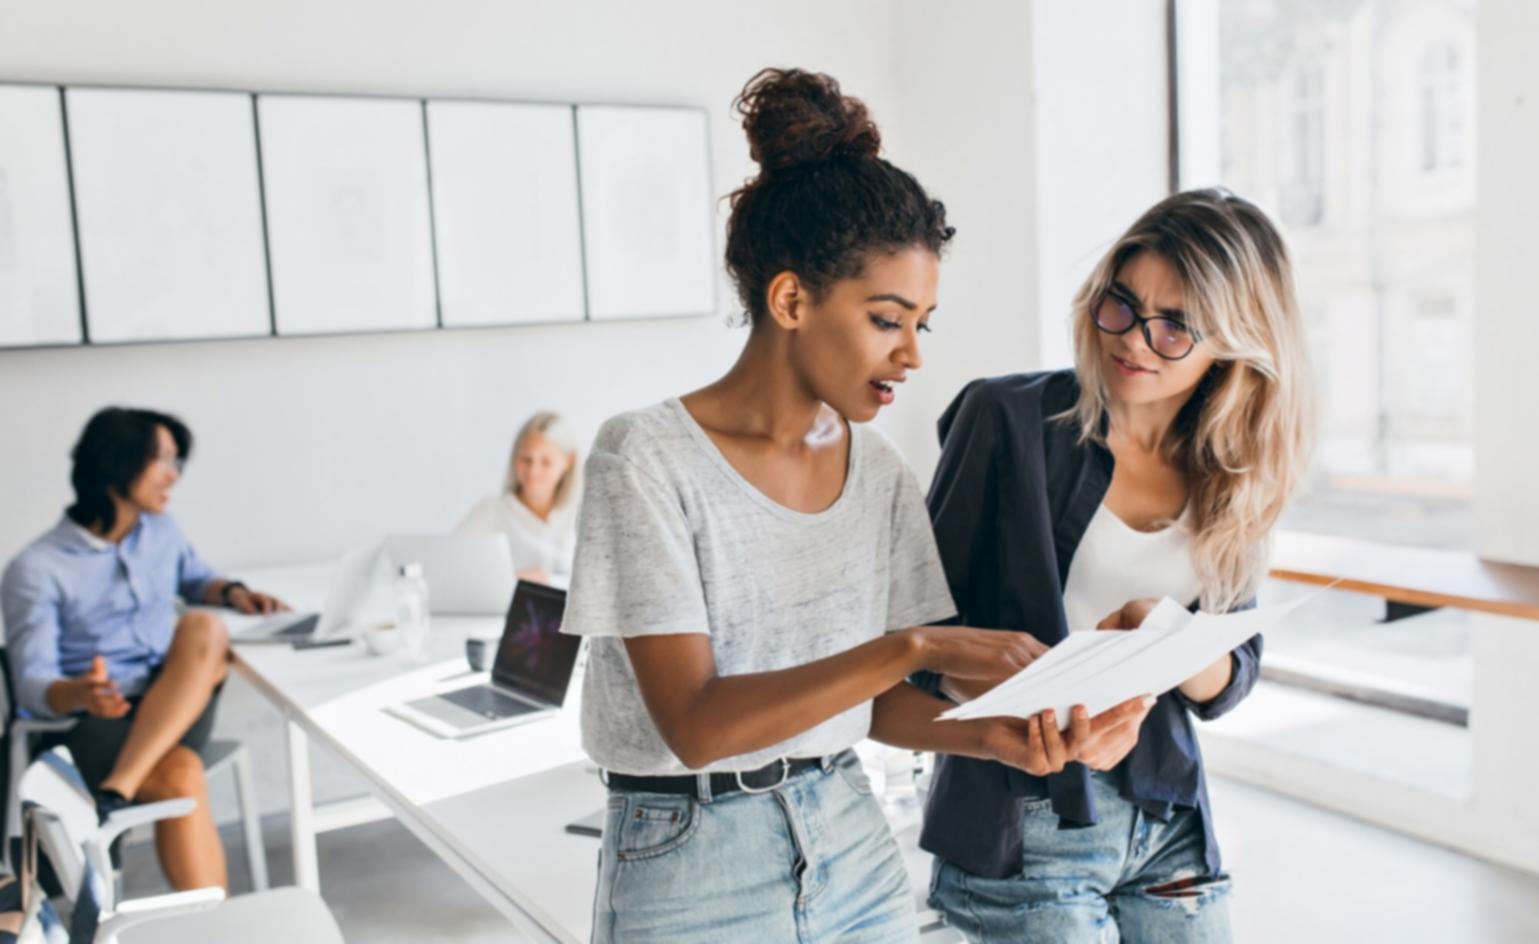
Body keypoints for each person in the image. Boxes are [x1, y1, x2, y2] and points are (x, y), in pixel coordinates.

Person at [559, 68, 1146, 944]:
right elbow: (696, 725)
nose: (910, 354)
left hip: (848, 835)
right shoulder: (644, 457)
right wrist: (912, 645)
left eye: (924, 324)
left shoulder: (876, 474)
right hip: (688, 859)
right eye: (886, 319)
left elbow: (865, 707)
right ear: (791, 298)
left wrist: (998, 738)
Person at [916, 189, 1313, 942]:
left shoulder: (1235, 470)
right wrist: (1044, 707)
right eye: (1121, 306)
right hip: (1025, 820)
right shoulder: (1007, 421)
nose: (1133, 340)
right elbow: (921, 645)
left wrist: (1165, 642)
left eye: (1174, 327)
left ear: (1233, 338)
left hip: (1168, 819)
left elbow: (1228, 684)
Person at [1, 407, 288, 891]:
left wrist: (233, 591)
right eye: (164, 461)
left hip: (172, 703)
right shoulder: (37, 568)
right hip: (95, 723)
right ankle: (219, 927)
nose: (173, 476)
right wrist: (80, 692)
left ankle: (116, 792)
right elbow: (31, 685)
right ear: (117, 465)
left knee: (203, 626)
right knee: (181, 773)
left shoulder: (161, 531)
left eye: (178, 463)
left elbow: (196, 580)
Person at [456, 411, 579, 586]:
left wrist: (548, 581)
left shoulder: (584, 516)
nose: (533, 471)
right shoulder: (491, 511)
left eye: (546, 462)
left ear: (568, 461)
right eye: (526, 460)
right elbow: (452, 567)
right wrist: (510, 580)